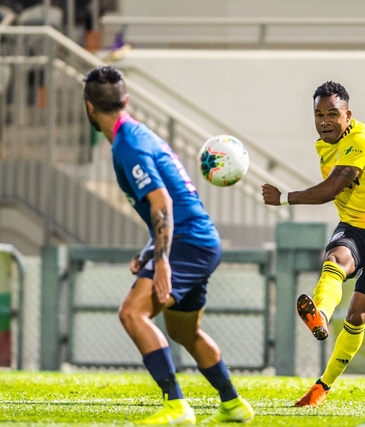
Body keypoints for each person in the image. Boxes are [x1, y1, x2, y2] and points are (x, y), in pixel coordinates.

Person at [83, 65, 254, 425]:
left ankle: (176, 406)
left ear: (89, 107)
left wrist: (161, 261)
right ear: (127, 101)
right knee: (183, 332)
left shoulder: (128, 146)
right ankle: (233, 404)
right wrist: (151, 250)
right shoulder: (141, 135)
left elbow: (162, 202)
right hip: (199, 239)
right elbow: (174, 200)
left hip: (187, 242)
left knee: (132, 313)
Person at [261, 81, 365, 407]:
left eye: (332, 114)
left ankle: (322, 387)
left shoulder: (361, 139)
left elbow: (331, 189)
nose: (325, 121)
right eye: (319, 115)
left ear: (348, 115)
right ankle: (321, 316)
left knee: (356, 317)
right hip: (353, 226)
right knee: (335, 261)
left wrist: (284, 197)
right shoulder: (325, 143)